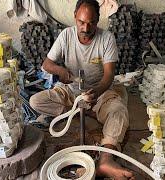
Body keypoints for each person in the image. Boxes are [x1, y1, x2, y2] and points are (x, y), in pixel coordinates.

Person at [29, 0, 135, 179]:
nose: (86, 28)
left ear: (98, 20)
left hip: (99, 92)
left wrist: (96, 92)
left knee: (119, 111)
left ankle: (106, 159)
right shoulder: (66, 36)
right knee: (35, 101)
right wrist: (60, 70)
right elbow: (46, 64)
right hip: (71, 92)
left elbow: (109, 76)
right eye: (81, 22)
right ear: (75, 17)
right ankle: (82, 112)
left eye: (91, 23)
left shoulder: (107, 38)